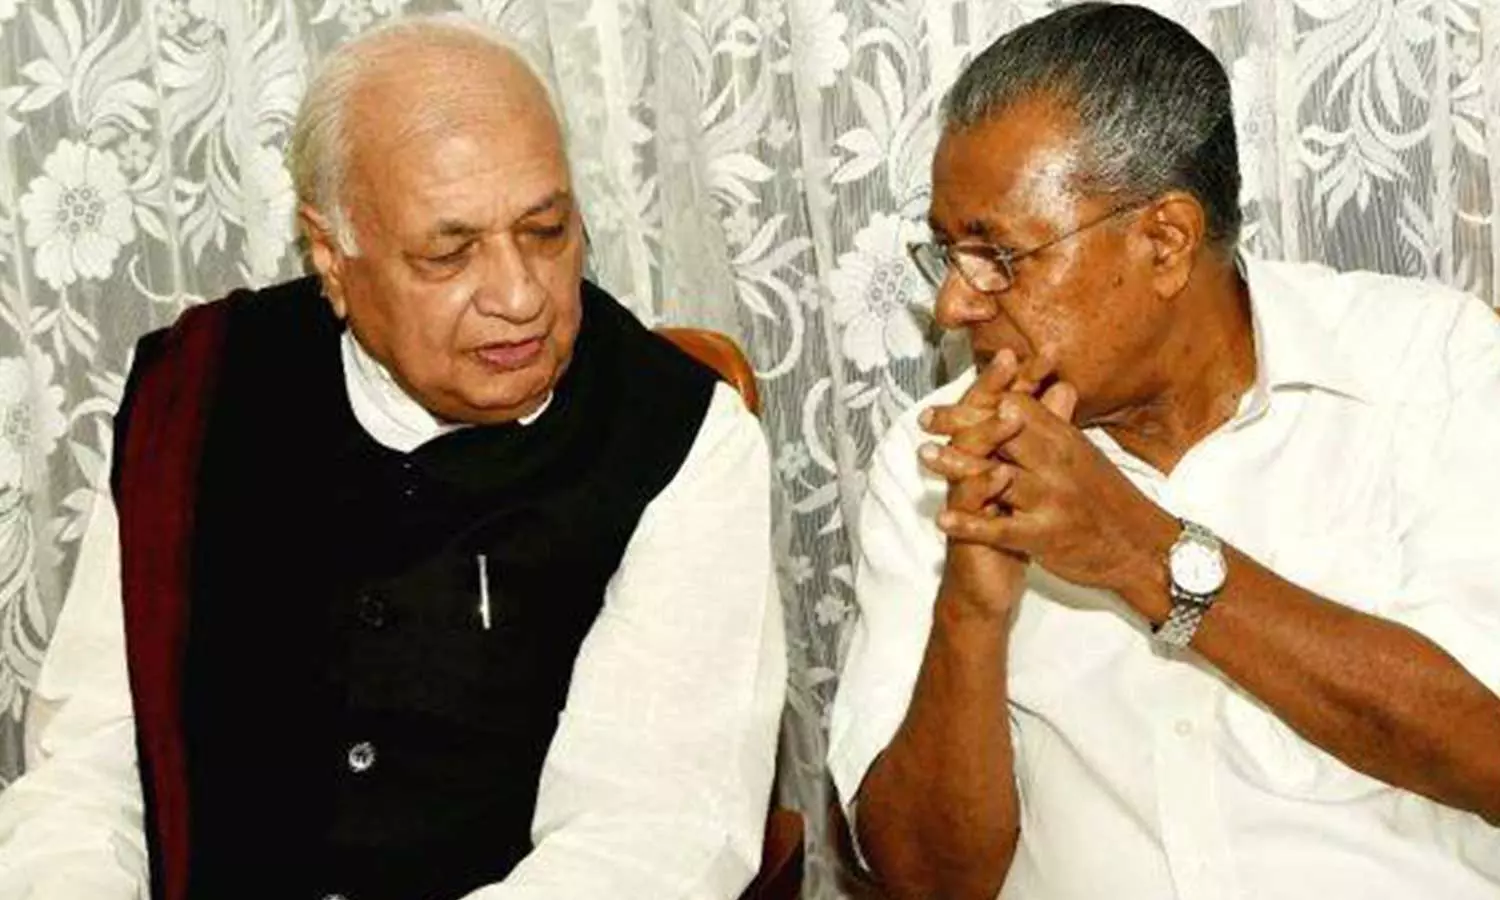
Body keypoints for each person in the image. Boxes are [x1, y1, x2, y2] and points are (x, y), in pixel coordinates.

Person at [0, 15, 785, 900]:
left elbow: (650, 838)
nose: (520, 295)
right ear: (331, 256)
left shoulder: (678, 438)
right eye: (449, 252)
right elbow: (87, 772)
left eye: (546, 230)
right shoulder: (197, 395)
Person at [828, 4, 1500, 899]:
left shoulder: (1432, 367)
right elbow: (922, 880)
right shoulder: (938, 456)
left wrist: (1142, 553)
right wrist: (972, 613)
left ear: (1165, 242)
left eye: (997, 256)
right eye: (948, 253)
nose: (954, 305)